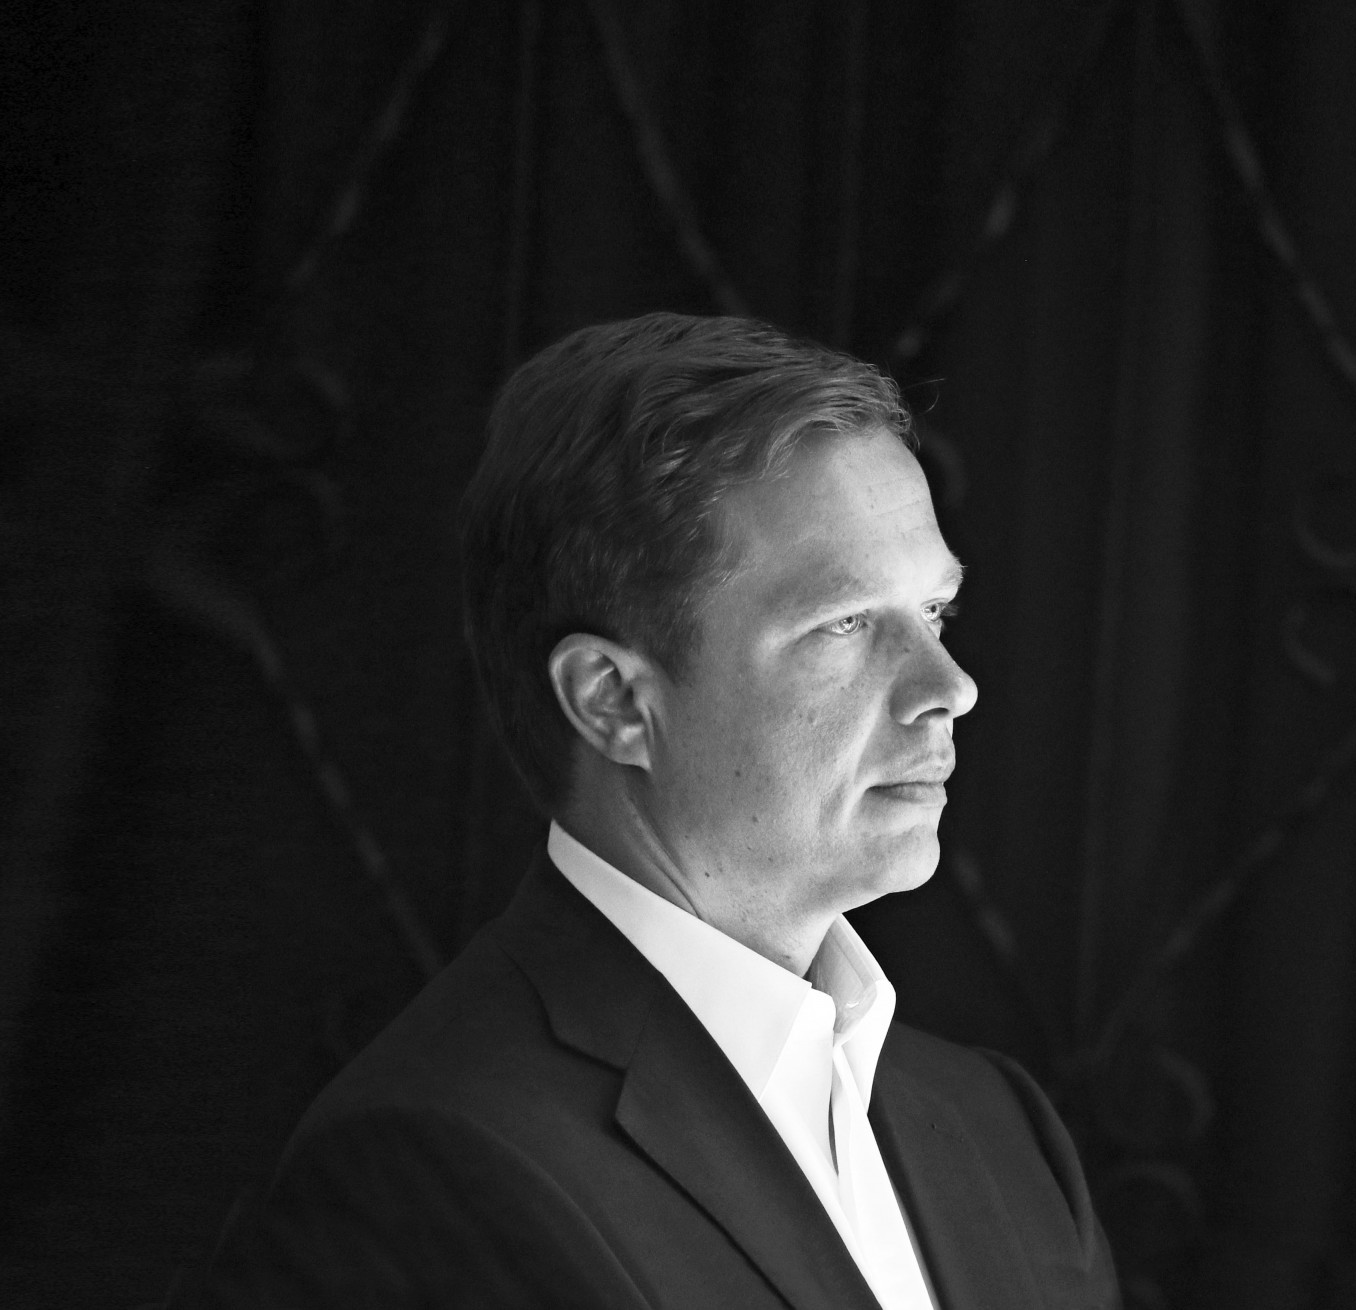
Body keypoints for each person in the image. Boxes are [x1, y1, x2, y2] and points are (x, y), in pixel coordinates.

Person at [180, 313, 1120, 1309]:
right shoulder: (423, 1161)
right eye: (843, 623)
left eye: (933, 611)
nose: (948, 686)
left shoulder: (1001, 1131)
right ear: (613, 701)